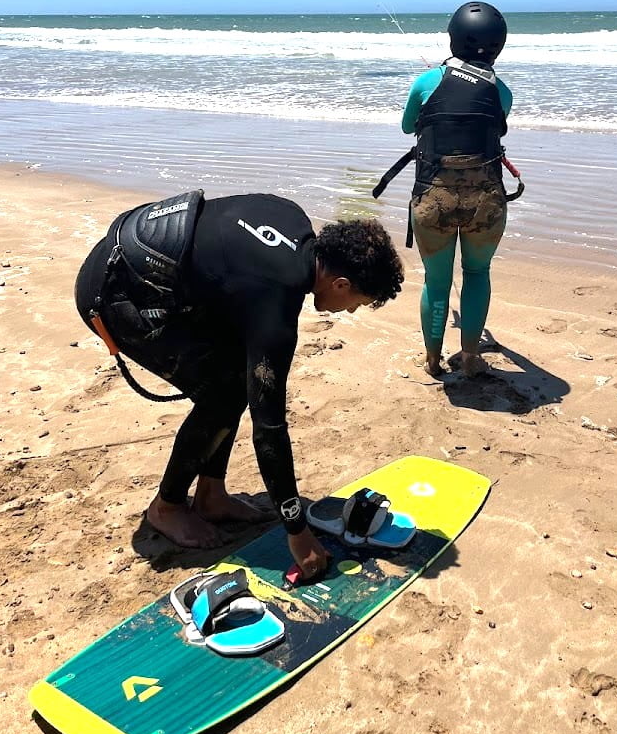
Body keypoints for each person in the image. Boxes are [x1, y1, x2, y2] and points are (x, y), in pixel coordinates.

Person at [74, 188, 403, 581]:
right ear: (342, 284)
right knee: (224, 394)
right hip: (115, 292)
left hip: (140, 259)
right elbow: (270, 430)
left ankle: (211, 495)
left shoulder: (292, 219)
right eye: (357, 303)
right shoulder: (276, 298)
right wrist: (296, 530)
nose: (349, 310)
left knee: (233, 377)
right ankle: (167, 507)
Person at [400, 1, 513, 379]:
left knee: (437, 280)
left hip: (433, 199)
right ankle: (469, 357)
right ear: (498, 45)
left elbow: (407, 127)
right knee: (477, 273)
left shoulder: (425, 82)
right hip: (486, 201)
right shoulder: (503, 91)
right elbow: (494, 127)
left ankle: (432, 360)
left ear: (452, 37)